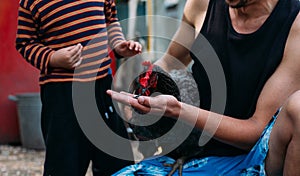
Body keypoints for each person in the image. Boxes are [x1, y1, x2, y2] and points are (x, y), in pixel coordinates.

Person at [107, 0, 300, 175]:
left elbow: (256, 130)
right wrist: (145, 85)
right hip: (195, 151)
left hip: (257, 157)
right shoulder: (202, 4)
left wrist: (178, 110)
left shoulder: (294, 22)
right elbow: (171, 61)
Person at [15, 0, 142, 175]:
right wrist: (52, 58)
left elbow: (110, 18)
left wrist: (118, 44)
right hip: (62, 96)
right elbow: (25, 43)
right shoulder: (32, 2)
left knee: (117, 163)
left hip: (102, 89)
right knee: (65, 164)